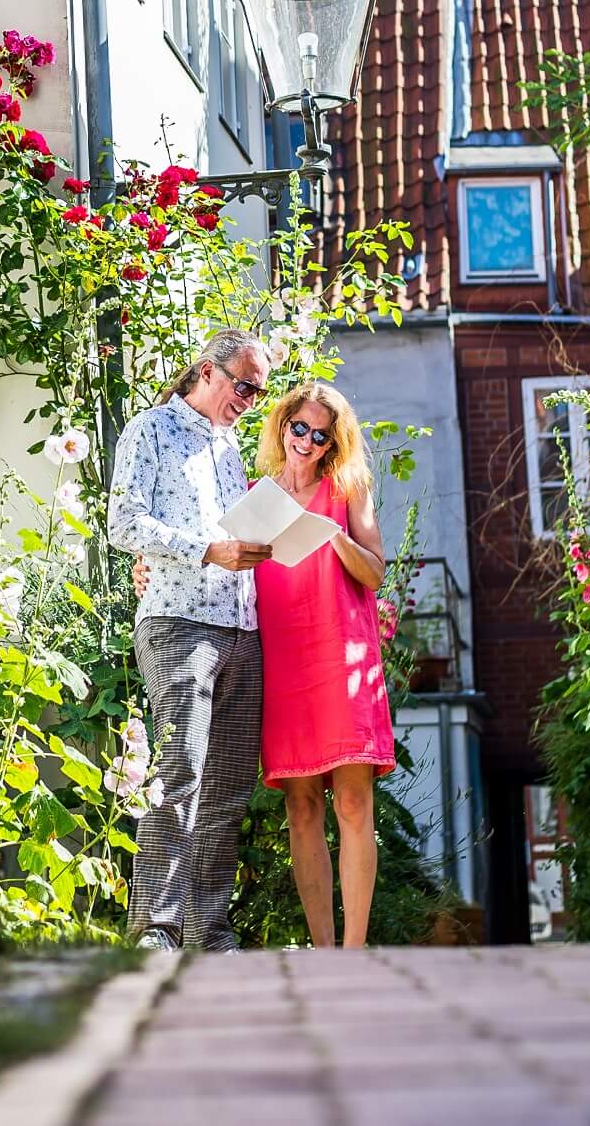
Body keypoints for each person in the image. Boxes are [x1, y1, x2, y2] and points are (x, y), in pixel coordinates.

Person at [105, 327, 275, 952]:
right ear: (208, 371)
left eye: (259, 392)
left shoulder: (235, 451)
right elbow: (124, 524)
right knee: (180, 775)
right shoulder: (149, 431)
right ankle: (157, 931)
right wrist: (207, 550)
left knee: (228, 789)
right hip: (178, 624)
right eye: (244, 386)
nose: (251, 400)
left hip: (242, 630)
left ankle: (209, 931)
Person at [251, 382, 393, 948]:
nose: (307, 440)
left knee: (354, 801)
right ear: (283, 425)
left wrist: (336, 539)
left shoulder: (347, 489)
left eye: (321, 434)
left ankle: (354, 954)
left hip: (342, 656)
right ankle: (323, 951)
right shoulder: (253, 496)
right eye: (299, 427)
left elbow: (376, 572)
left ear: (334, 443)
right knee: (303, 806)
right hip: (284, 661)